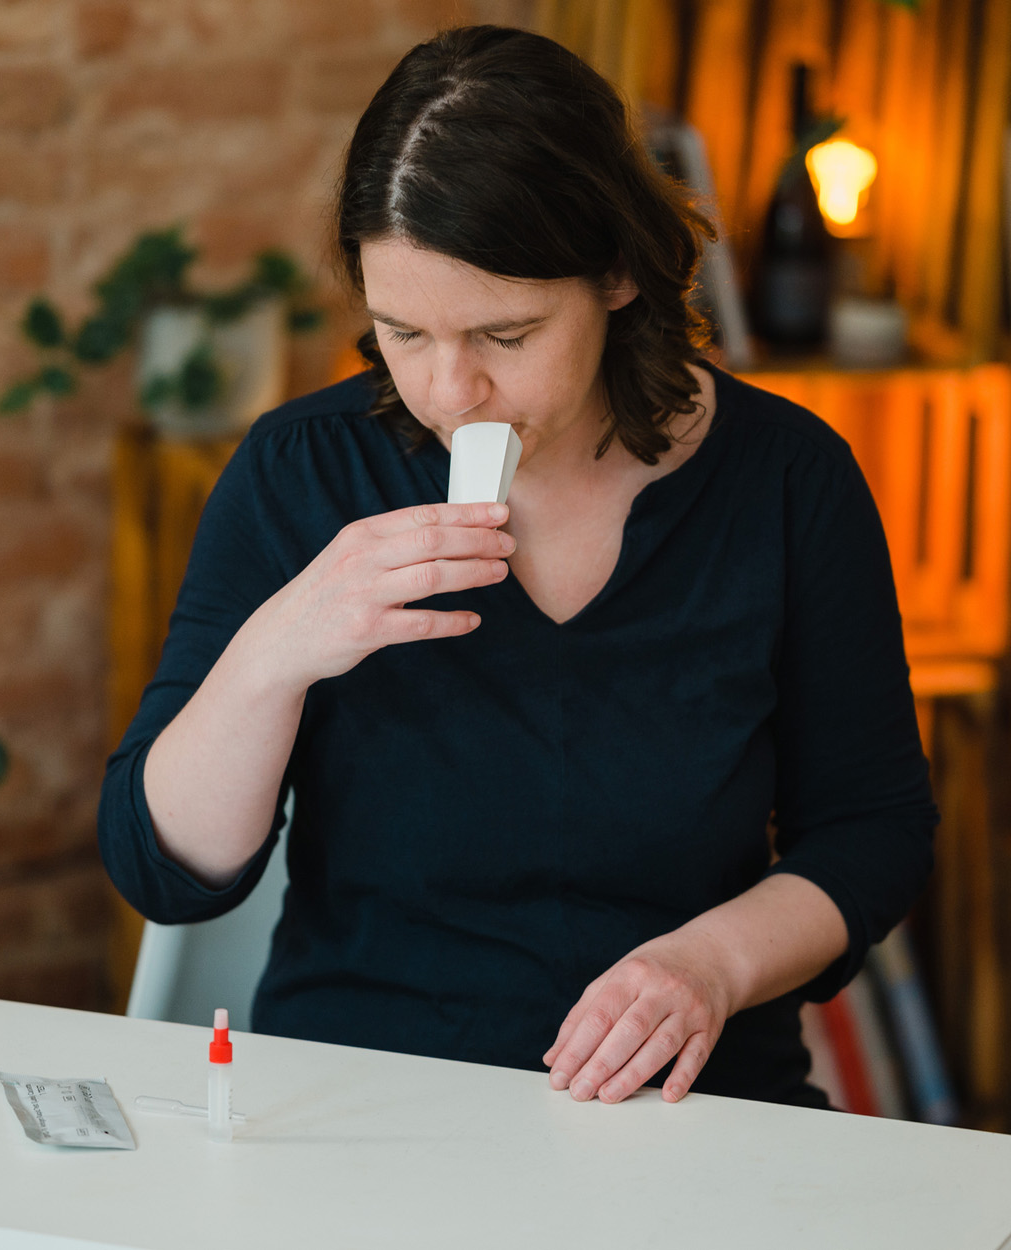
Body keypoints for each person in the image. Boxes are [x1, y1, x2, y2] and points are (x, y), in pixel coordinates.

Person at [99, 24, 937, 1108]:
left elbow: (873, 831)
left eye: (505, 335)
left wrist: (711, 965)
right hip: (357, 1104)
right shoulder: (301, 473)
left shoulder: (786, 481)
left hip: (690, 1109)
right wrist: (277, 651)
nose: (450, 392)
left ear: (620, 274)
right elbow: (160, 868)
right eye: (402, 331)